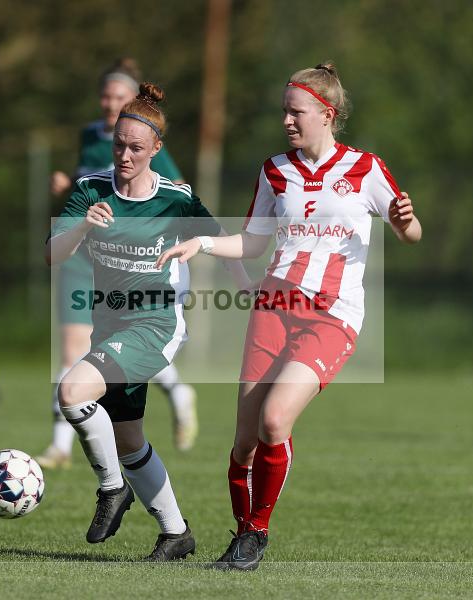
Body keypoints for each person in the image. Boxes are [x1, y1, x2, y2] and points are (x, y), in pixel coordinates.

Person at [156, 62, 422, 570]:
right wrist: (204, 243)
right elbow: (254, 241)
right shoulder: (275, 169)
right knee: (243, 445)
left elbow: (410, 233)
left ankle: (257, 532)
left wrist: (407, 223)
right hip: (273, 307)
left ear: (328, 113)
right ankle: (240, 539)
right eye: (284, 111)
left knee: (275, 421)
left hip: (331, 316)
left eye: (295, 111)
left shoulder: (366, 169)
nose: (287, 121)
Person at [46, 83, 240, 560]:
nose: (125, 155)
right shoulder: (91, 190)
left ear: (156, 149)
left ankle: (113, 488)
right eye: (118, 144)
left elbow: (222, 240)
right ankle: (176, 534)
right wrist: (83, 226)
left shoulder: (175, 199)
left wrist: (248, 284)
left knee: (71, 392)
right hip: (110, 326)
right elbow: (53, 255)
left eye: (136, 147)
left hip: (155, 326)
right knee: (129, 437)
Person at [37, 58, 198, 471]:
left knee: (115, 351)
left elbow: (178, 192)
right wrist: (63, 188)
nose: (111, 104)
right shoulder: (90, 135)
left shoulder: (145, 140)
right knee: (74, 349)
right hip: (83, 255)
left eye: (119, 97)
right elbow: (86, 189)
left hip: (127, 262)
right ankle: (59, 446)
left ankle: (177, 392)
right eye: (106, 96)